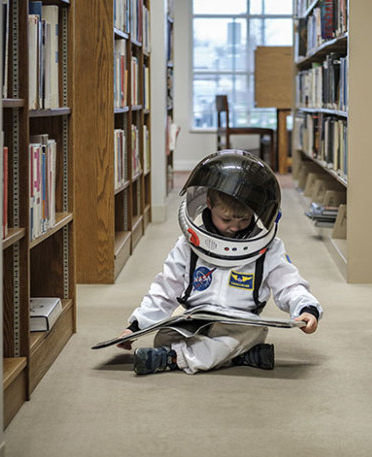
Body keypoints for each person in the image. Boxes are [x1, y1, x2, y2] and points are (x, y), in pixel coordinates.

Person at [115, 149, 322, 375]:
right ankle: (240, 356)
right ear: (208, 203)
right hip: (195, 318)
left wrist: (306, 308)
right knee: (163, 336)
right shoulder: (187, 246)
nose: (235, 226)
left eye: (244, 219)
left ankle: (175, 359)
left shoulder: (269, 249)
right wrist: (136, 326)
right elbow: (164, 290)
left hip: (241, 323)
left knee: (248, 333)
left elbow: (289, 284)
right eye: (226, 219)